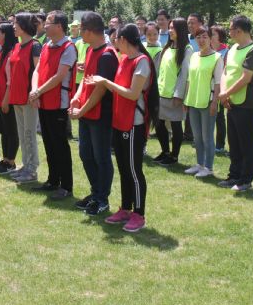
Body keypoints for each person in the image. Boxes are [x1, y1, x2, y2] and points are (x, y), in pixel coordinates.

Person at [85, 24, 159, 233]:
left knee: (134, 171)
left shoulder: (142, 61)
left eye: (116, 38)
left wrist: (105, 82)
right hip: (119, 121)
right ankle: (125, 209)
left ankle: (139, 213)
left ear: (124, 40)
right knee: (123, 168)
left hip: (134, 124)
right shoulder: (124, 59)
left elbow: (132, 94)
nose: (114, 41)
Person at [69, 12, 119, 215]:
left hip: (100, 115)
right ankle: (95, 192)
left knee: (101, 157)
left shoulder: (107, 55)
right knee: (86, 154)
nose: (79, 33)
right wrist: (76, 97)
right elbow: (86, 79)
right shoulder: (90, 50)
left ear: (89, 31)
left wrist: (81, 110)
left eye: (81, 29)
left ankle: (102, 199)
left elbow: (100, 90)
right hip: (86, 113)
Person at [28, 10, 77, 199]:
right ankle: (52, 181)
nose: (44, 25)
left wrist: (38, 92)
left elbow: (59, 76)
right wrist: (35, 91)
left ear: (59, 26)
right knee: (49, 143)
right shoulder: (47, 45)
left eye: (48, 22)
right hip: (43, 101)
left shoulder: (68, 48)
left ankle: (66, 186)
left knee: (60, 145)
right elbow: (37, 70)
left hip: (58, 104)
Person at [218, 15, 253, 192]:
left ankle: (245, 179)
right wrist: (224, 94)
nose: (229, 32)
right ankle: (234, 175)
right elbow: (225, 72)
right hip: (231, 102)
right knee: (234, 142)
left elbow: (246, 78)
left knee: (246, 143)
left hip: (246, 104)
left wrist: (226, 94)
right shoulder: (232, 49)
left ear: (239, 30)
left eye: (230, 29)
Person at [183, 26, 223, 178]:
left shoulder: (217, 58)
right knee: (197, 137)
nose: (201, 40)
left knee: (207, 137)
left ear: (210, 39)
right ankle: (199, 164)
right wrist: (186, 99)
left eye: (204, 37)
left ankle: (208, 167)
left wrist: (214, 102)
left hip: (207, 102)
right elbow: (189, 79)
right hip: (193, 101)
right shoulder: (194, 56)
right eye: (198, 37)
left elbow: (218, 83)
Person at [7, 13, 43, 183]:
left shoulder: (35, 46)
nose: (13, 26)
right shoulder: (17, 46)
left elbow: (39, 71)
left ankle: (32, 169)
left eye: (16, 23)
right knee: (22, 135)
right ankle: (25, 165)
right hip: (16, 97)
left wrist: (36, 94)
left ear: (24, 25)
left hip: (29, 98)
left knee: (29, 135)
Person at [154, 17, 192, 165]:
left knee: (176, 126)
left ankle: (174, 156)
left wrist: (179, 94)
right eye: (169, 28)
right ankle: (165, 151)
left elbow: (185, 74)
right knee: (159, 124)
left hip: (174, 95)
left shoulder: (187, 49)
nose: (170, 31)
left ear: (181, 30)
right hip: (161, 93)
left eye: (173, 28)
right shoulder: (167, 47)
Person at [0, 22, 20, 174]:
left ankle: (11, 161)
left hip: (6, 97)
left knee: (10, 130)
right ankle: (5, 159)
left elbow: (11, 80)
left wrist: (6, 99)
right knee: (3, 130)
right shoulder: (1, 51)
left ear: (6, 34)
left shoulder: (12, 52)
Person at [211, 25, 229, 155]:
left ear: (220, 36)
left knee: (219, 116)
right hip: (208, 87)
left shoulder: (226, 51)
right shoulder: (208, 50)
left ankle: (220, 144)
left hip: (220, 88)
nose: (210, 36)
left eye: (213, 34)